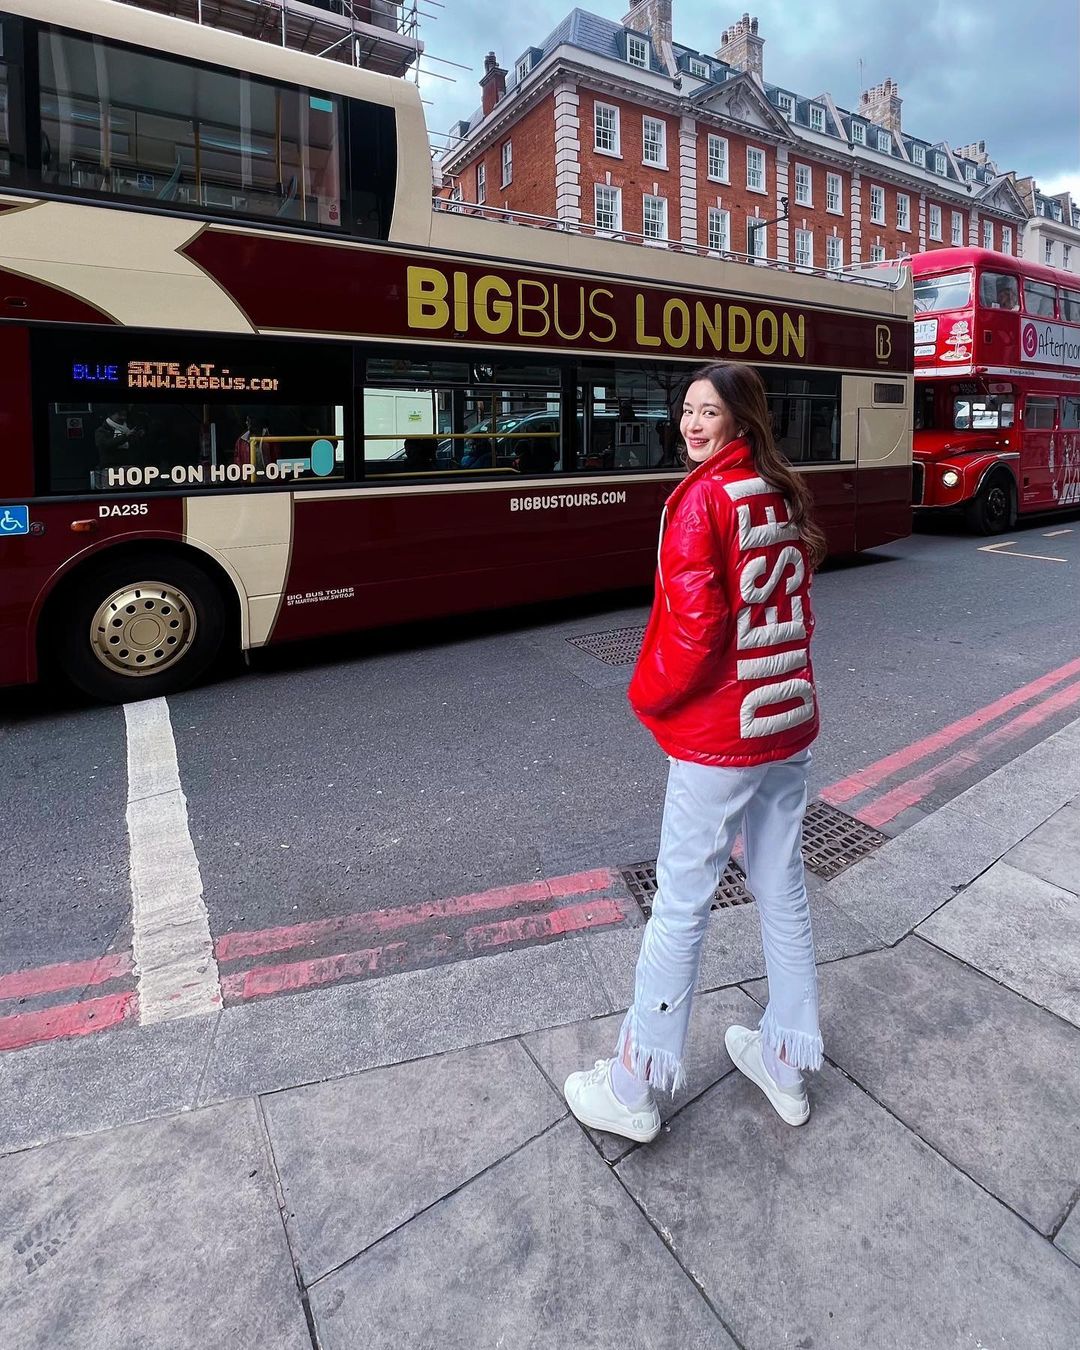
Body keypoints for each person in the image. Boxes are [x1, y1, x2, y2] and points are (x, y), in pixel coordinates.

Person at [564, 362, 828, 1143]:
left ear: (742, 422)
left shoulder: (703, 500)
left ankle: (632, 1088)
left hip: (721, 736)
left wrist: (645, 697)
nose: (691, 424)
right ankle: (787, 1061)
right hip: (786, 720)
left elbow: (693, 632)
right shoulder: (779, 492)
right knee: (781, 885)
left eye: (708, 412)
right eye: (685, 410)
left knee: (680, 905)